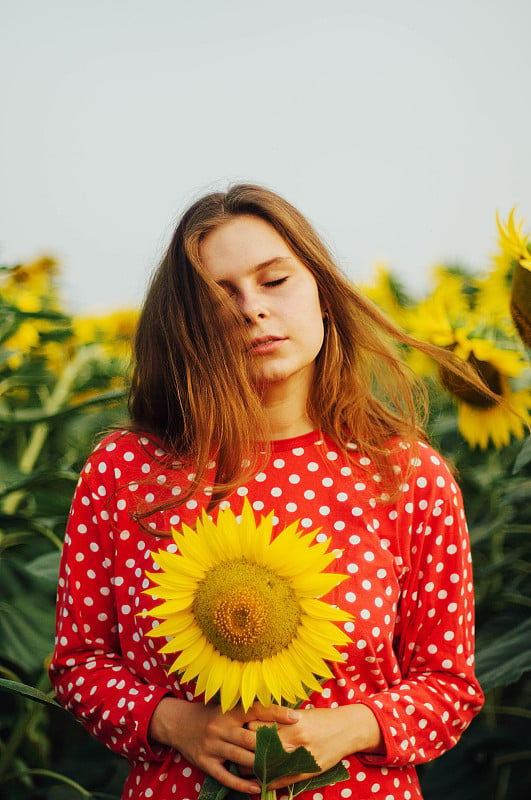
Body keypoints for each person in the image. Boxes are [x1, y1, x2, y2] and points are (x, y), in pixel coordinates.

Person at [50, 184, 487, 800]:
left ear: (322, 295)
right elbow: (80, 664)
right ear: (186, 326)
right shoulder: (125, 471)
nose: (251, 308)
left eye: (274, 280)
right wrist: (178, 722)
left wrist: (346, 728)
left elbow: (449, 687)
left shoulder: (407, 477)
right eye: (218, 295)